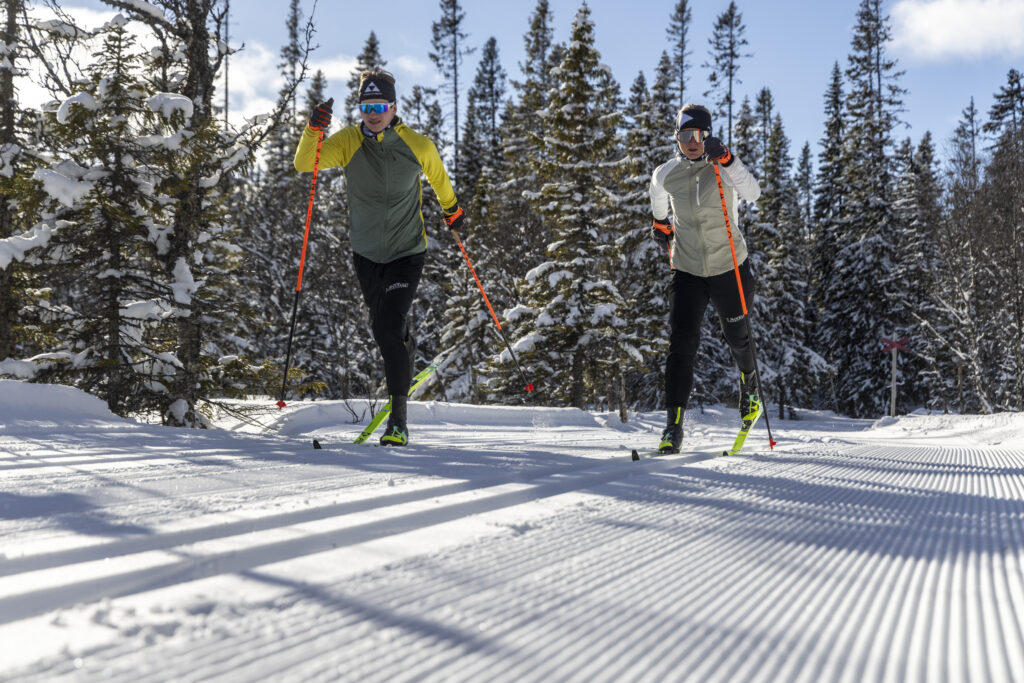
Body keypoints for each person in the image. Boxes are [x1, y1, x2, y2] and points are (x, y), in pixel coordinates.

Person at [294, 69, 465, 446]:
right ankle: (407, 344)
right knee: (385, 329)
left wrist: (452, 210)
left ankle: (398, 423)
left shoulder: (417, 144)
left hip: (407, 251)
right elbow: (305, 163)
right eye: (366, 107)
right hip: (366, 254)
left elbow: (439, 179)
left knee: (387, 327)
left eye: (380, 107)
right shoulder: (348, 142)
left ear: (393, 108)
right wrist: (313, 130)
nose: (373, 114)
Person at [648, 104, 762, 454]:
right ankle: (673, 428)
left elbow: (753, 192)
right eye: (685, 135)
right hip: (688, 269)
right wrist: (660, 222)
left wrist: (728, 159)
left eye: (698, 134)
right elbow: (656, 194)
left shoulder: (723, 168)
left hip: (730, 266)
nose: (692, 141)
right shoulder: (666, 173)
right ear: (677, 138)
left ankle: (750, 388)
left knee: (738, 338)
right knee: (681, 345)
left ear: (707, 135)